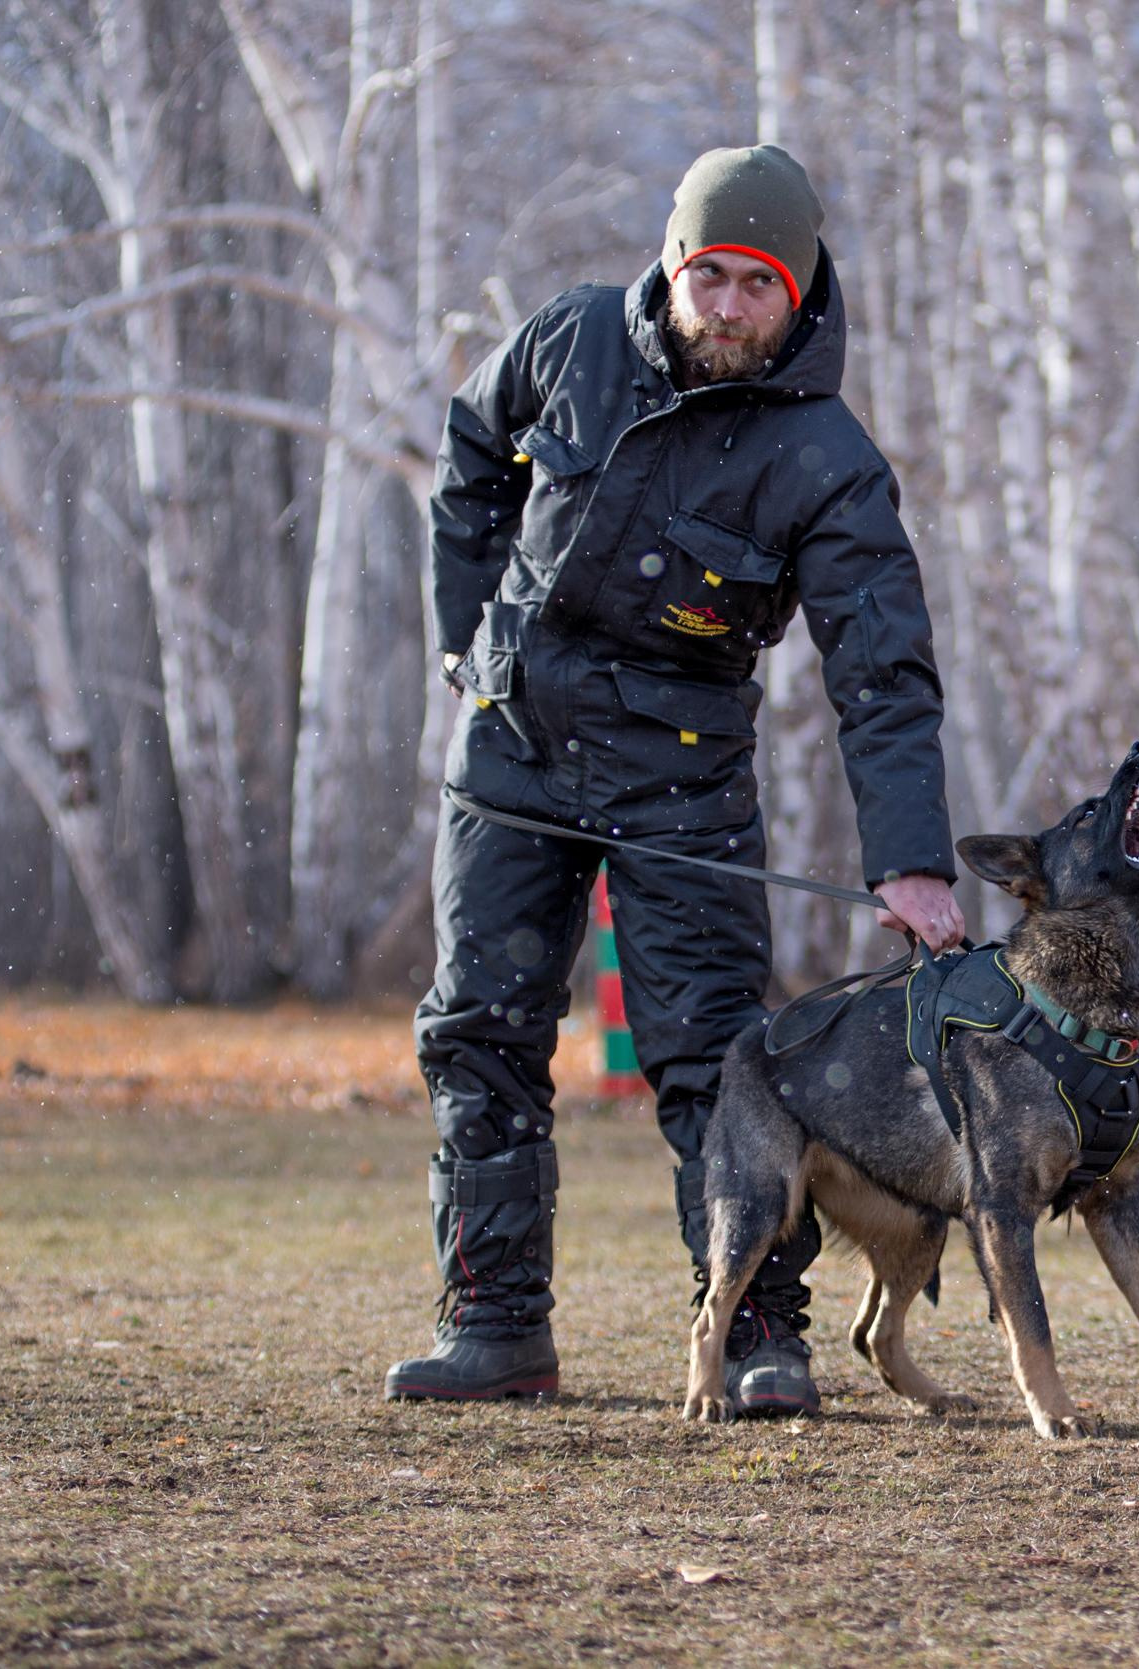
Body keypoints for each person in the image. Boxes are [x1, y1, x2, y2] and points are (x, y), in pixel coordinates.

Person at [386, 144, 965, 1414]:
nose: (727, 305)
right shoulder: (571, 341)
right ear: (671, 263)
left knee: (713, 1060)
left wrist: (910, 856)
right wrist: (461, 633)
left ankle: (760, 1332)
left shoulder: (828, 459)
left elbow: (882, 666)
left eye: (757, 282)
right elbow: (470, 455)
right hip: (513, 751)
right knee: (479, 1035)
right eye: (708, 273)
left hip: (682, 783)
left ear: (797, 292)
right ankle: (494, 1327)